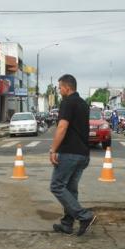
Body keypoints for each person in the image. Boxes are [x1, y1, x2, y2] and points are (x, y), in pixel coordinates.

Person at [50, 74, 96, 236]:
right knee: (70, 189)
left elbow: (62, 127)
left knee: (56, 186)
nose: (59, 89)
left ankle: (84, 216)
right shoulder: (83, 103)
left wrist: (53, 149)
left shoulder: (67, 102)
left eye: (60, 87)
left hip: (69, 153)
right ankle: (67, 223)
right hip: (83, 154)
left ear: (67, 88)